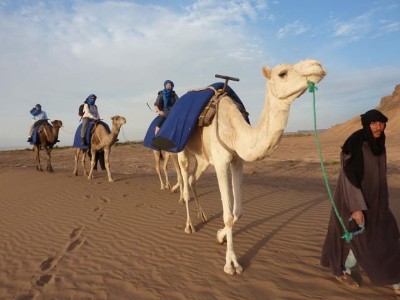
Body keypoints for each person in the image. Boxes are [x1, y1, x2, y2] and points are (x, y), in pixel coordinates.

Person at [320, 109, 400, 297]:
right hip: (355, 201)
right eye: (373, 123)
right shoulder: (354, 145)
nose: (378, 127)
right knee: (358, 239)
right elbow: (350, 179)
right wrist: (356, 208)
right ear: (366, 124)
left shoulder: (379, 143)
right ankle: (344, 270)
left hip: (378, 202)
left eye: (381, 123)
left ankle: (394, 279)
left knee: (387, 236)